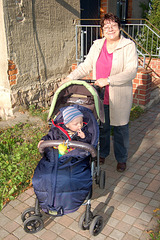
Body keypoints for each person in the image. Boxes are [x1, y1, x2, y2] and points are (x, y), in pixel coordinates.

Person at [62, 13, 138, 172]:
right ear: (102, 29)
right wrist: (69, 78)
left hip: (119, 96)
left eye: (114, 25)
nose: (110, 29)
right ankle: (103, 153)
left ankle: (121, 158)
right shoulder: (97, 45)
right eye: (106, 26)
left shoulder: (128, 45)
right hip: (100, 94)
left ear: (119, 28)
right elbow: (85, 66)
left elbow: (131, 71)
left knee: (120, 129)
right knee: (102, 126)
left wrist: (108, 80)